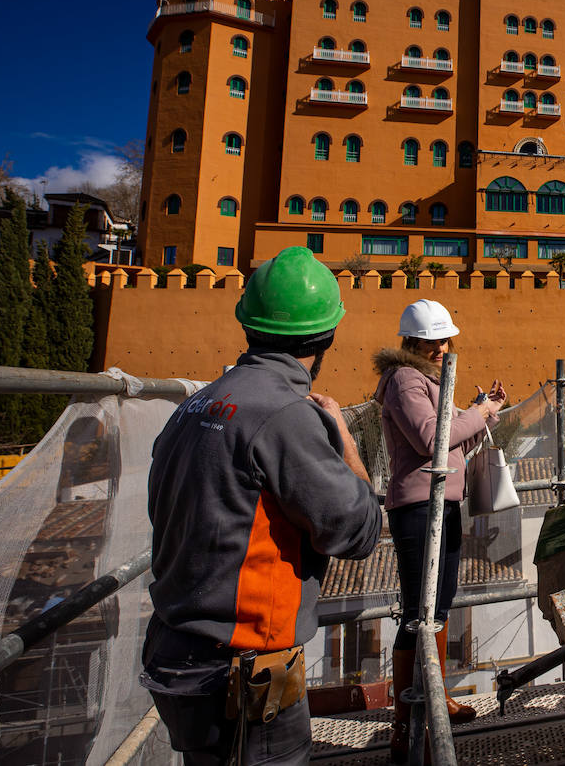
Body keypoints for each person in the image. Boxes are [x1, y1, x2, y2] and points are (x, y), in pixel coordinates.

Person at [141, 246, 382, 765]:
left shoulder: (197, 403)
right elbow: (359, 531)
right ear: (326, 338)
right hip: (244, 669)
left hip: (176, 651)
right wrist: (347, 445)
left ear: (247, 325)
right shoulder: (285, 416)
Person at [374, 298, 506, 761]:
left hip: (442, 504)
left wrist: (479, 412)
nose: (442, 348)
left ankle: (436, 697)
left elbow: (452, 443)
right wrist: (482, 410)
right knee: (418, 611)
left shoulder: (426, 378)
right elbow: (432, 439)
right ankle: (405, 720)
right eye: (433, 341)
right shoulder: (405, 380)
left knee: (440, 605)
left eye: (445, 340)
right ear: (412, 342)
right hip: (416, 509)